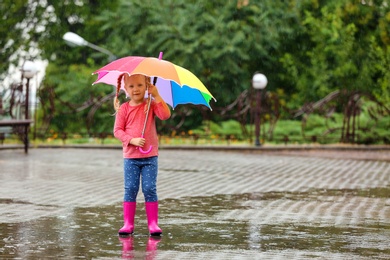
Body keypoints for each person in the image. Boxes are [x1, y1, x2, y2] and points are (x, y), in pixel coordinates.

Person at [113, 73, 171, 236]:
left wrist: (157, 95)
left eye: (139, 85)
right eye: (131, 86)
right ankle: (128, 223)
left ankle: (153, 224)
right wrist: (131, 140)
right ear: (126, 89)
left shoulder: (151, 105)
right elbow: (117, 130)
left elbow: (165, 115)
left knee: (149, 188)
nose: (136, 89)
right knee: (130, 188)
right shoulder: (124, 108)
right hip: (131, 158)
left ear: (146, 86)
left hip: (150, 157)